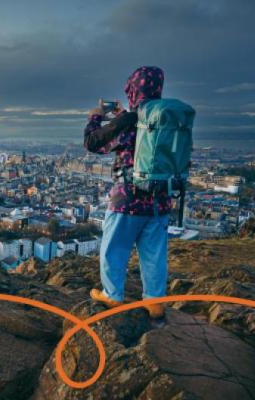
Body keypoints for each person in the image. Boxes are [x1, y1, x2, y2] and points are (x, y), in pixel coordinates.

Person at [85, 66, 169, 323]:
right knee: (154, 253)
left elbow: (93, 143)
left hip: (128, 198)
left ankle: (112, 294)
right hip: (161, 199)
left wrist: (96, 117)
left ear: (133, 89)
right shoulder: (169, 119)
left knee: (114, 248)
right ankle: (155, 302)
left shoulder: (131, 120)